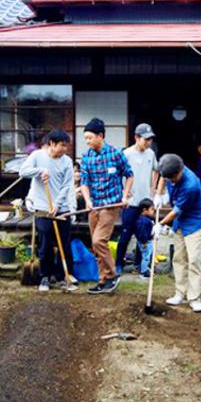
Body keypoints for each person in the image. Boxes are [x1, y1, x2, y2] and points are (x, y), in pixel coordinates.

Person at [80, 118, 134, 295]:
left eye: (89, 138)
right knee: (95, 246)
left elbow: (129, 175)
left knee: (99, 240)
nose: (87, 141)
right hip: (94, 206)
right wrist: (87, 200)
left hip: (111, 204)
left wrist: (125, 196)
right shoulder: (87, 157)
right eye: (85, 138)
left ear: (100, 136)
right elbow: (84, 182)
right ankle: (103, 280)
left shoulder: (115, 154)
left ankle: (113, 274)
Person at [19, 130, 76, 292]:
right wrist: (40, 171)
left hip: (61, 208)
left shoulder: (66, 161)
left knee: (64, 244)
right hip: (43, 208)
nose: (65, 149)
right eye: (62, 145)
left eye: (67, 146)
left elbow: (67, 185)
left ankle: (62, 275)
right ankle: (45, 276)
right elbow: (22, 172)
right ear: (52, 143)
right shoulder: (37, 156)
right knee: (45, 245)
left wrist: (57, 204)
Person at [154, 154, 201, 313]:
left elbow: (176, 211)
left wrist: (160, 224)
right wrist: (159, 194)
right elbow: (162, 178)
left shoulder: (190, 184)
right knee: (179, 258)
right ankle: (180, 293)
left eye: (173, 178)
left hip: (195, 222)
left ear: (180, 170)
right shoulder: (168, 171)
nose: (171, 180)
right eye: (168, 178)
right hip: (180, 222)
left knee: (193, 260)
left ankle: (194, 298)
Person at [115, 123, 159, 274]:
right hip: (130, 203)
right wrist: (123, 192)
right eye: (145, 139)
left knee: (144, 235)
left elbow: (157, 170)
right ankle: (119, 264)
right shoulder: (126, 154)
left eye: (150, 139)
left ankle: (141, 265)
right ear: (136, 138)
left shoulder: (151, 154)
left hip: (145, 203)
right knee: (126, 234)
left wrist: (153, 190)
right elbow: (117, 175)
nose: (148, 142)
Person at [134, 198, 156, 278]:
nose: (153, 211)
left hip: (147, 240)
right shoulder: (143, 222)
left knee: (146, 255)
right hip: (145, 242)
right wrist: (144, 242)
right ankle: (144, 271)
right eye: (152, 209)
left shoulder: (147, 219)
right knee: (146, 256)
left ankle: (143, 267)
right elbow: (142, 233)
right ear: (145, 210)